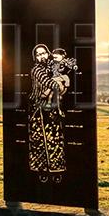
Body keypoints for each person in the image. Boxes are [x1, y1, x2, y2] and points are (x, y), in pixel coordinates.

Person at [27, 43, 68, 182]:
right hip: (37, 108)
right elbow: (50, 83)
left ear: (48, 53)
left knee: (55, 138)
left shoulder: (52, 68)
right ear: (35, 57)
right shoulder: (36, 70)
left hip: (53, 107)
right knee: (38, 140)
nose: (42, 56)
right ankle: (41, 170)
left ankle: (57, 170)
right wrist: (57, 84)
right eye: (38, 54)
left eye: (43, 53)